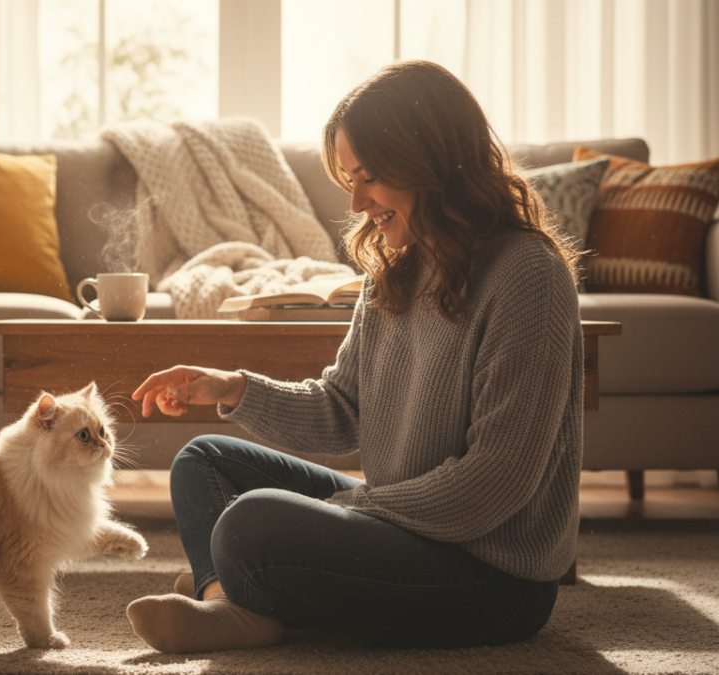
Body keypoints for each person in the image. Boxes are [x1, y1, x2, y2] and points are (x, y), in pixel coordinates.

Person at [125, 60, 584, 654]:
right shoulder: (394, 270)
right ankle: (232, 602)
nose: (357, 201)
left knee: (250, 521)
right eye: (349, 178)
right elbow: (342, 409)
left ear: (429, 160)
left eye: (368, 177)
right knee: (202, 460)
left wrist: (345, 506)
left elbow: (492, 485)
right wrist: (230, 388)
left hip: (491, 581)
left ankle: (247, 585)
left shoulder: (529, 277)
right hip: (400, 526)